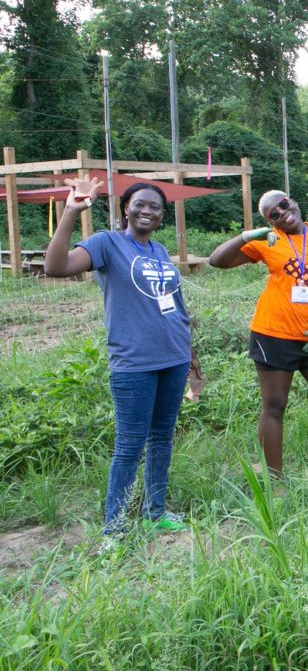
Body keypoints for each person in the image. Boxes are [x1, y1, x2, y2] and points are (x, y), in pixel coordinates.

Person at [43, 176, 196, 538]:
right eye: (140, 204)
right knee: (129, 445)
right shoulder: (107, 244)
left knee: (162, 438)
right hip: (134, 364)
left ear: (162, 216)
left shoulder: (158, 252)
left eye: (155, 207)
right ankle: (114, 529)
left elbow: (177, 307)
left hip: (173, 358)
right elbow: (56, 266)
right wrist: (70, 211)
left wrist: (192, 359)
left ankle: (155, 513)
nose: (147, 210)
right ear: (125, 208)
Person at [208, 191, 308, 476]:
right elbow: (217, 261)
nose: (282, 213)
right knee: (274, 406)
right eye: (273, 214)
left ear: (292, 201)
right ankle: (274, 478)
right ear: (269, 221)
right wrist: (248, 236)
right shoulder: (267, 240)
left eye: (283, 205)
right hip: (273, 334)